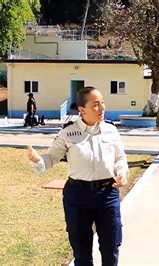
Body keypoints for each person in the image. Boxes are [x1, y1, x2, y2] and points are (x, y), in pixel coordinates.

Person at [27, 87, 128, 266]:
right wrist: (38, 159)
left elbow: (120, 157)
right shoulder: (68, 132)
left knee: (111, 247)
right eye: (96, 105)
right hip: (78, 195)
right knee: (81, 251)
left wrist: (121, 172)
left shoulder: (111, 130)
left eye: (103, 103)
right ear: (82, 109)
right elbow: (51, 158)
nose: (102, 108)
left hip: (107, 193)